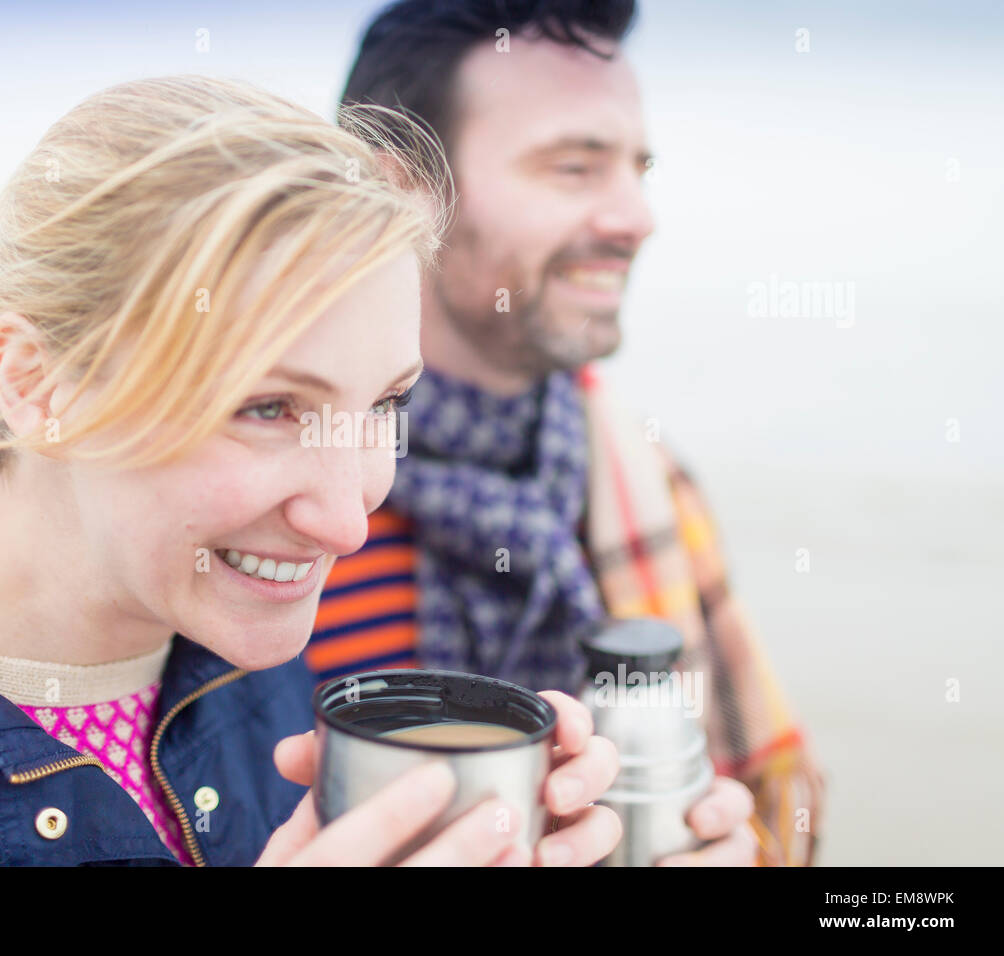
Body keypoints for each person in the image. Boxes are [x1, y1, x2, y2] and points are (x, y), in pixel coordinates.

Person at [0, 75, 622, 866]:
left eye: (384, 405)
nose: (349, 522)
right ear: (35, 382)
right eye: (268, 409)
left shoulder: (253, 671)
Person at [306, 0, 827, 866]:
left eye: (638, 168)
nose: (636, 217)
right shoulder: (269, 509)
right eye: (576, 167)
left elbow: (773, 791)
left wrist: (735, 845)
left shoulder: (648, 481)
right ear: (399, 188)